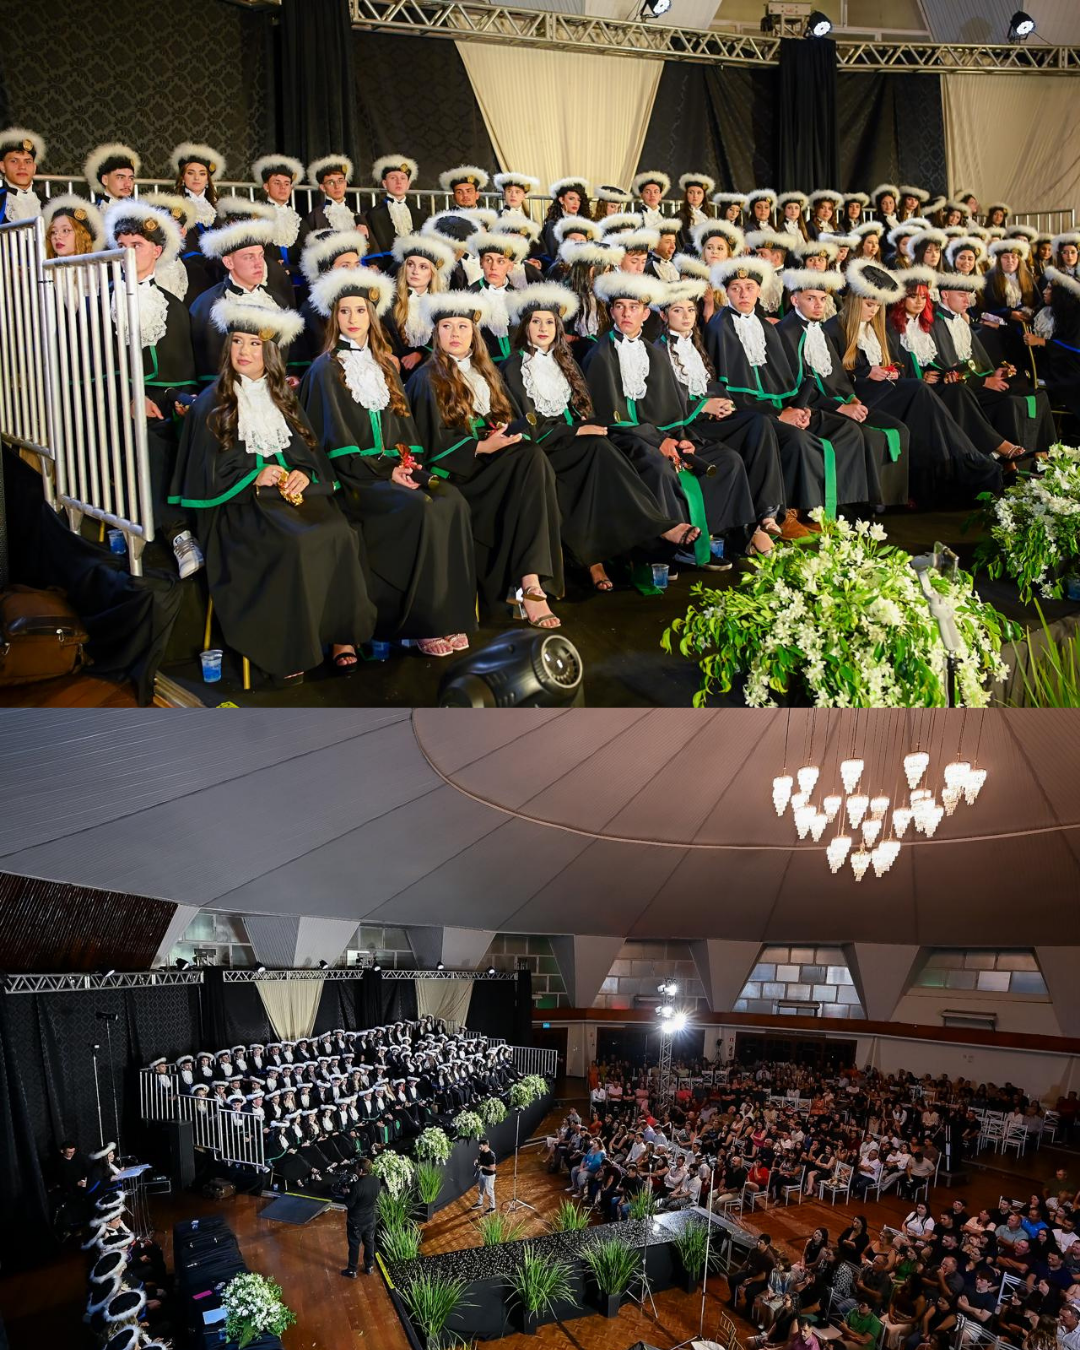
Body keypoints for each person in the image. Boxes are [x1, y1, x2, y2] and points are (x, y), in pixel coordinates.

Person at [168, 296, 376, 682]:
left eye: (254, 344)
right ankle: (291, 645)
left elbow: (307, 453)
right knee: (294, 543)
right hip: (239, 507)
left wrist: (303, 475)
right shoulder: (212, 402)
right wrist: (254, 476)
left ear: (270, 353)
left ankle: (340, 635)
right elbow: (205, 475)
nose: (244, 351)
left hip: (289, 500)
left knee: (339, 532)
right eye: (237, 342)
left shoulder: (283, 397)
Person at [300, 266, 477, 658]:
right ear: (334, 317)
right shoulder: (325, 369)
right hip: (356, 480)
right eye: (344, 311)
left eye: (360, 311)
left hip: (394, 469)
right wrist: (385, 471)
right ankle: (418, 626)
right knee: (421, 509)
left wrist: (407, 465)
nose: (352, 318)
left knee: (453, 502)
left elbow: (405, 428)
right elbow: (333, 442)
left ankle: (449, 615)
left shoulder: (384, 364)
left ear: (371, 315)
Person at [501, 282, 692, 590]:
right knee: (600, 451)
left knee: (601, 450)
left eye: (549, 321)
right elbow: (526, 425)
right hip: (542, 448)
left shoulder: (564, 362)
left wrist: (586, 425)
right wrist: (576, 429)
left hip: (573, 443)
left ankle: (597, 558)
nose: (543, 328)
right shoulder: (513, 367)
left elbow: (582, 410)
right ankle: (656, 528)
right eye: (536, 321)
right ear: (525, 326)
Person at [405, 291, 564, 626]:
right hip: (461, 470)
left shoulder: (487, 371)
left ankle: (530, 581)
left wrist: (506, 432)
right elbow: (432, 442)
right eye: (447, 326)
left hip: (495, 462)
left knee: (532, 456)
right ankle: (531, 584)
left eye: (463, 326)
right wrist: (480, 447)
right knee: (531, 463)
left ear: (474, 332)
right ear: (436, 333)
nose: (455, 333)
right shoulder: (425, 377)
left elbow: (508, 415)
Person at [706, 255, 875, 523]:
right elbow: (729, 391)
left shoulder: (765, 326)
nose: (743, 294)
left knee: (846, 429)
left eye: (749, 287)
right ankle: (798, 513)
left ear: (759, 291)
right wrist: (780, 414)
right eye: (736, 288)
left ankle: (843, 506)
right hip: (748, 414)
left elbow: (784, 382)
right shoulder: (719, 325)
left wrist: (800, 409)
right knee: (799, 441)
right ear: (726, 292)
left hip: (781, 408)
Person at [104, 199, 203, 577]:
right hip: (106, 402)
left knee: (183, 426)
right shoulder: (99, 303)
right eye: (122, 246)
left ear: (156, 251)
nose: (128, 253)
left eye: (137, 245)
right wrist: (127, 398)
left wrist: (180, 399)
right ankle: (177, 533)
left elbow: (181, 374)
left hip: (159, 403)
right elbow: (89, 369)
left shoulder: (173, 307)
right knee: (147, 436)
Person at [188, 217, 281, 380]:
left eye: (261, 256)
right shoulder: (206, 305)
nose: (259, 264)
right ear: (228, 262)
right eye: (249, 257)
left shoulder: (277, 301)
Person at [383, 231, 455, 370]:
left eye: (423, 267)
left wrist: (421, 353)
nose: (415, 271)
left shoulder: (442, 305)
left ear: (432, 273)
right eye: (411, 264)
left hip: (433, 368)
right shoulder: (389, 302)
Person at [169, 141, 225, 301]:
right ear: (183, 177)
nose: (196, 178)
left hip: (217, 260)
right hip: (190, 260)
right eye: (190, 173)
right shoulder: (174, 206)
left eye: (202, 173)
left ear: (207, 179)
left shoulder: (217, 208)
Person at [251, 153, 306, 299]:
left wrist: (293, 269)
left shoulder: (297, 218)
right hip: (269, 276)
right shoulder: (257, 215)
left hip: (296, 276)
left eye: (287, 184)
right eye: (277, 183)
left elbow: (307, 249)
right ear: (266, 187)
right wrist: (274, 266)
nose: (283, 188)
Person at [299, 154, 363, 251]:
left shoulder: (356, 215)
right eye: (331, 182)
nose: (337, 186)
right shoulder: (315, 216)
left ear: (345, 184)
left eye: (340, 181)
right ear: (323, 187)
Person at [363, 154, 421, 253]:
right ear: (385, 183)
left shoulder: (419, 214)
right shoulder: (374, 214)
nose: (398, 182)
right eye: (393, 178)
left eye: (403, 178)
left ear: (408, 184)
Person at [341, 1157, 381, 1277]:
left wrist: (346, 1193)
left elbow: (349, 1204)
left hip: (356, 1221)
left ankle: (352, 1270)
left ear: (361, 1170)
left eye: (357, 1168)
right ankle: (369, 1267)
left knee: (354, 1244)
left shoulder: (357, 1186)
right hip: (370, 1218)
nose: (355, 1169)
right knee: (369, 1242)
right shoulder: (376, 1180)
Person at [0, 127, 45, 222]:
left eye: (27, 162)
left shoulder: (49, 204)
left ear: (34, 168)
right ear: (3, 166)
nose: (22, 167)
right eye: (14, 161)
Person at [543, 176, 591, 257]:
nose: (576, 203)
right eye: (571, 198)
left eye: (579, 200)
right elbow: (552, 255)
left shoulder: (585, 224)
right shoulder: (552, 225)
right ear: (561, 200)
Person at [676, 171, 715, 252]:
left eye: (699, 193)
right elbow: (680, 242)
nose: (695, 196)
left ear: (704, 196)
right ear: (686, 195)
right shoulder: (680, 216)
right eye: (691, 192)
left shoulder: (709, 215)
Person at [473, 1137, 497, 1213]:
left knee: (489, 1191)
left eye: (481, 1146)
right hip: (482, 1173)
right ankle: (479, 1203)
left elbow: (492, 1168)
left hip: (489, 1176)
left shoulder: (491, 1155)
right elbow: (479, 1158)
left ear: (486, 1146)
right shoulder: (482, 1152)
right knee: (481, 1189)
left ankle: (492, 1207)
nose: (479, 1148)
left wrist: (483, 1167)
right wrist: (477, 1160)